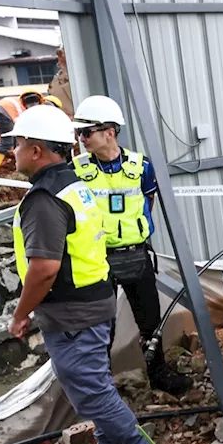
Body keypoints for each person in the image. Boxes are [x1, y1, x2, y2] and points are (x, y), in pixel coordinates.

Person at [6, 104, 169, 444]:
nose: (12, 151)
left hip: (73, 311)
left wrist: (20, 312)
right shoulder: (74, 184)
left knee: (93, 391)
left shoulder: (45, 198)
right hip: (91, 300)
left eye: (18, 143)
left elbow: (44, 268)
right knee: (95, 383)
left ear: (38, 150)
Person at [72, 95, 192, 396]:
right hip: (98, 260)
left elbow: (146, 205)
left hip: (137, 256)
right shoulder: (78, 170)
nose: (81, 138)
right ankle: (102, 388)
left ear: (109, 132)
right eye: (80, 133)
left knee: (151, 322)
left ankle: (159, 374)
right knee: (102, 327)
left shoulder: (142, 167)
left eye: (87, 132)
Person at [0, 89, 51, 177]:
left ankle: (16, 163)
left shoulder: (22, 102)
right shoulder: (20, 109)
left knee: (15, 140)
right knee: (6, 143)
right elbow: (20, 126)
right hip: (3, 111)